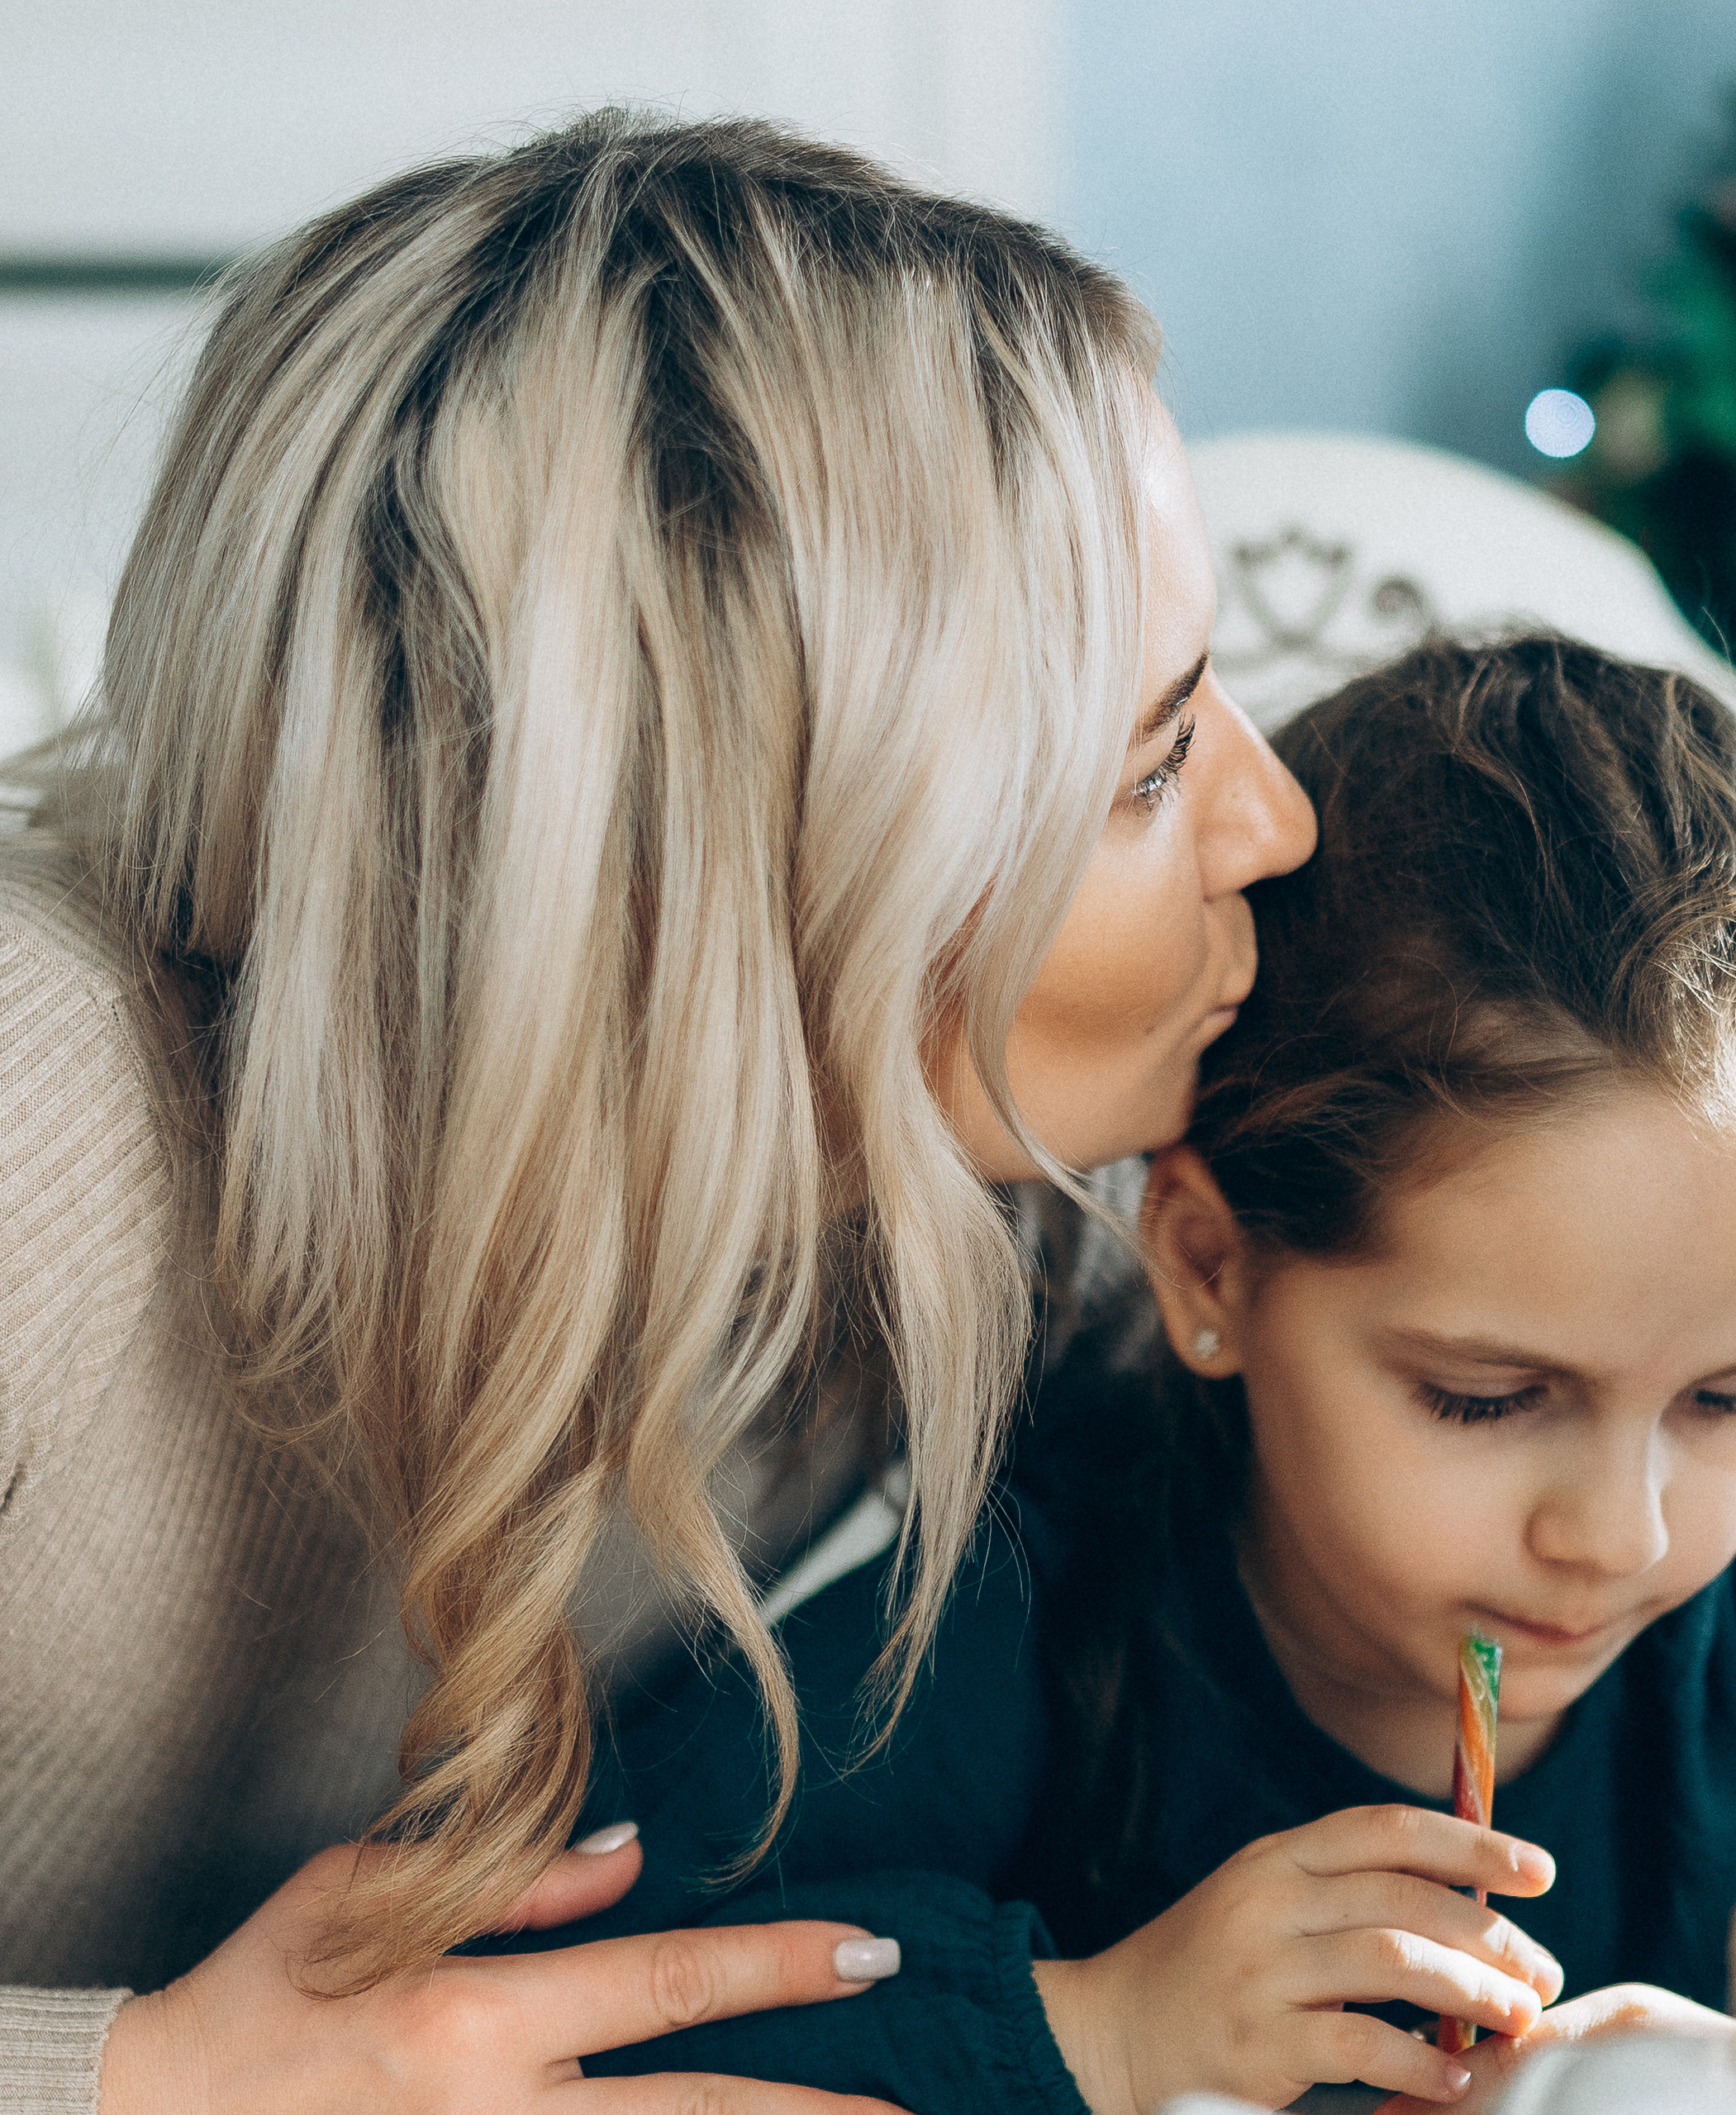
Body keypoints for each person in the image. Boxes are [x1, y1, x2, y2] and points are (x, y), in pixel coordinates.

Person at [0, 111, 1316, 2113]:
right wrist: (153, 2079)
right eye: (1145, 765)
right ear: (720, 882)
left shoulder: (946, 1214)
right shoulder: (39, 1115)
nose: (1273, 818)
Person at [549, 635, 1736, 2115]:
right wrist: (1091, 2029)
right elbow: (532, 2005)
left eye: (1733, 1398)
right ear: (1212, 1272)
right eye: (1486, 1400)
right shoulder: (1003, 1622)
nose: (1621, 1536)